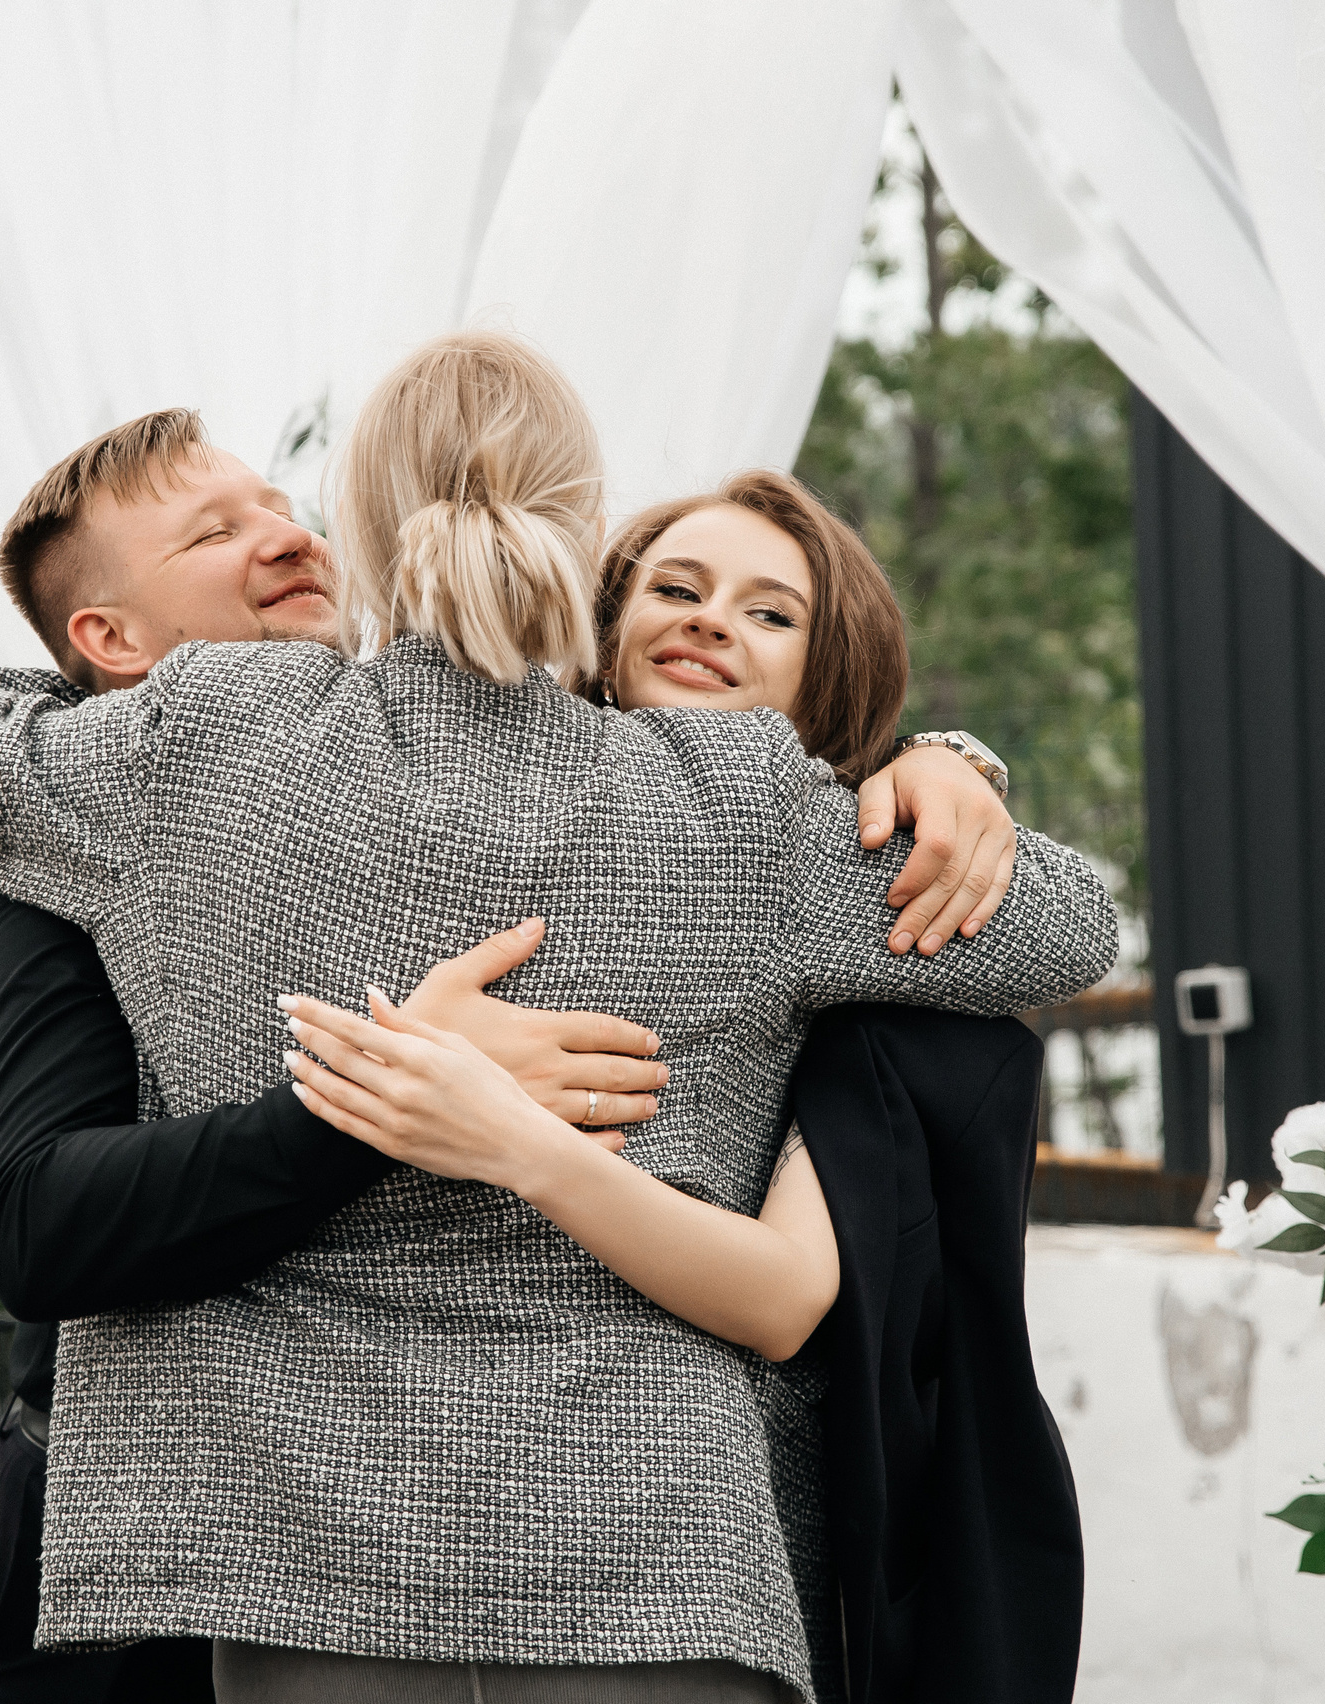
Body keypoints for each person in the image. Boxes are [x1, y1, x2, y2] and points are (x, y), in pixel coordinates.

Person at [0, 330, 1115, 1701]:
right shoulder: (739, 802)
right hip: (653, 1546)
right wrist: (941, 771)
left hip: (295, 1546)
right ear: (588, 540)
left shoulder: (200, 734)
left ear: (361, 532)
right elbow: (1066, 927)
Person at [280, 469, 1088, 1703]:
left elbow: (1074, 926)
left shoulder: (825, 905)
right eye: (676, 588)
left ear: (827, 678)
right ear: (598, 623)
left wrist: (941, 761)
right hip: (349, 1498)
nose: (712, 619)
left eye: (770, 613)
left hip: (683, 1532)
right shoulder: (457, 799)